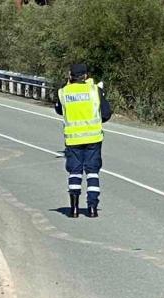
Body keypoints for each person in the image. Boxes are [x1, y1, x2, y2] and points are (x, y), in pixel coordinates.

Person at [54, 64, 112, 218]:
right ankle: (92, 208)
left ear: (70, 75)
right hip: (93, 138)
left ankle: (74, 209)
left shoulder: (64, 92)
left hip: (73, 140)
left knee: (75, 172)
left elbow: (59, 110)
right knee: (92, 172)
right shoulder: (94, 90)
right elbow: (106, 113)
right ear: (85, 76)